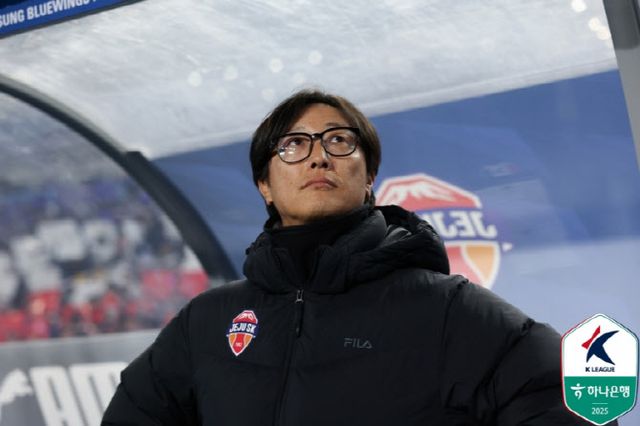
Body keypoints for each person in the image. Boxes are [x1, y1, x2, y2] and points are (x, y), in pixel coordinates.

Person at [102, 90, 607, 425]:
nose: (319, 156)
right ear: (264, 185)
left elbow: (569, 397)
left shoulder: (446, 309)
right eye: (293, 145)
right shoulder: (207, 321)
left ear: (369, 178)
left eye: (339, 141)